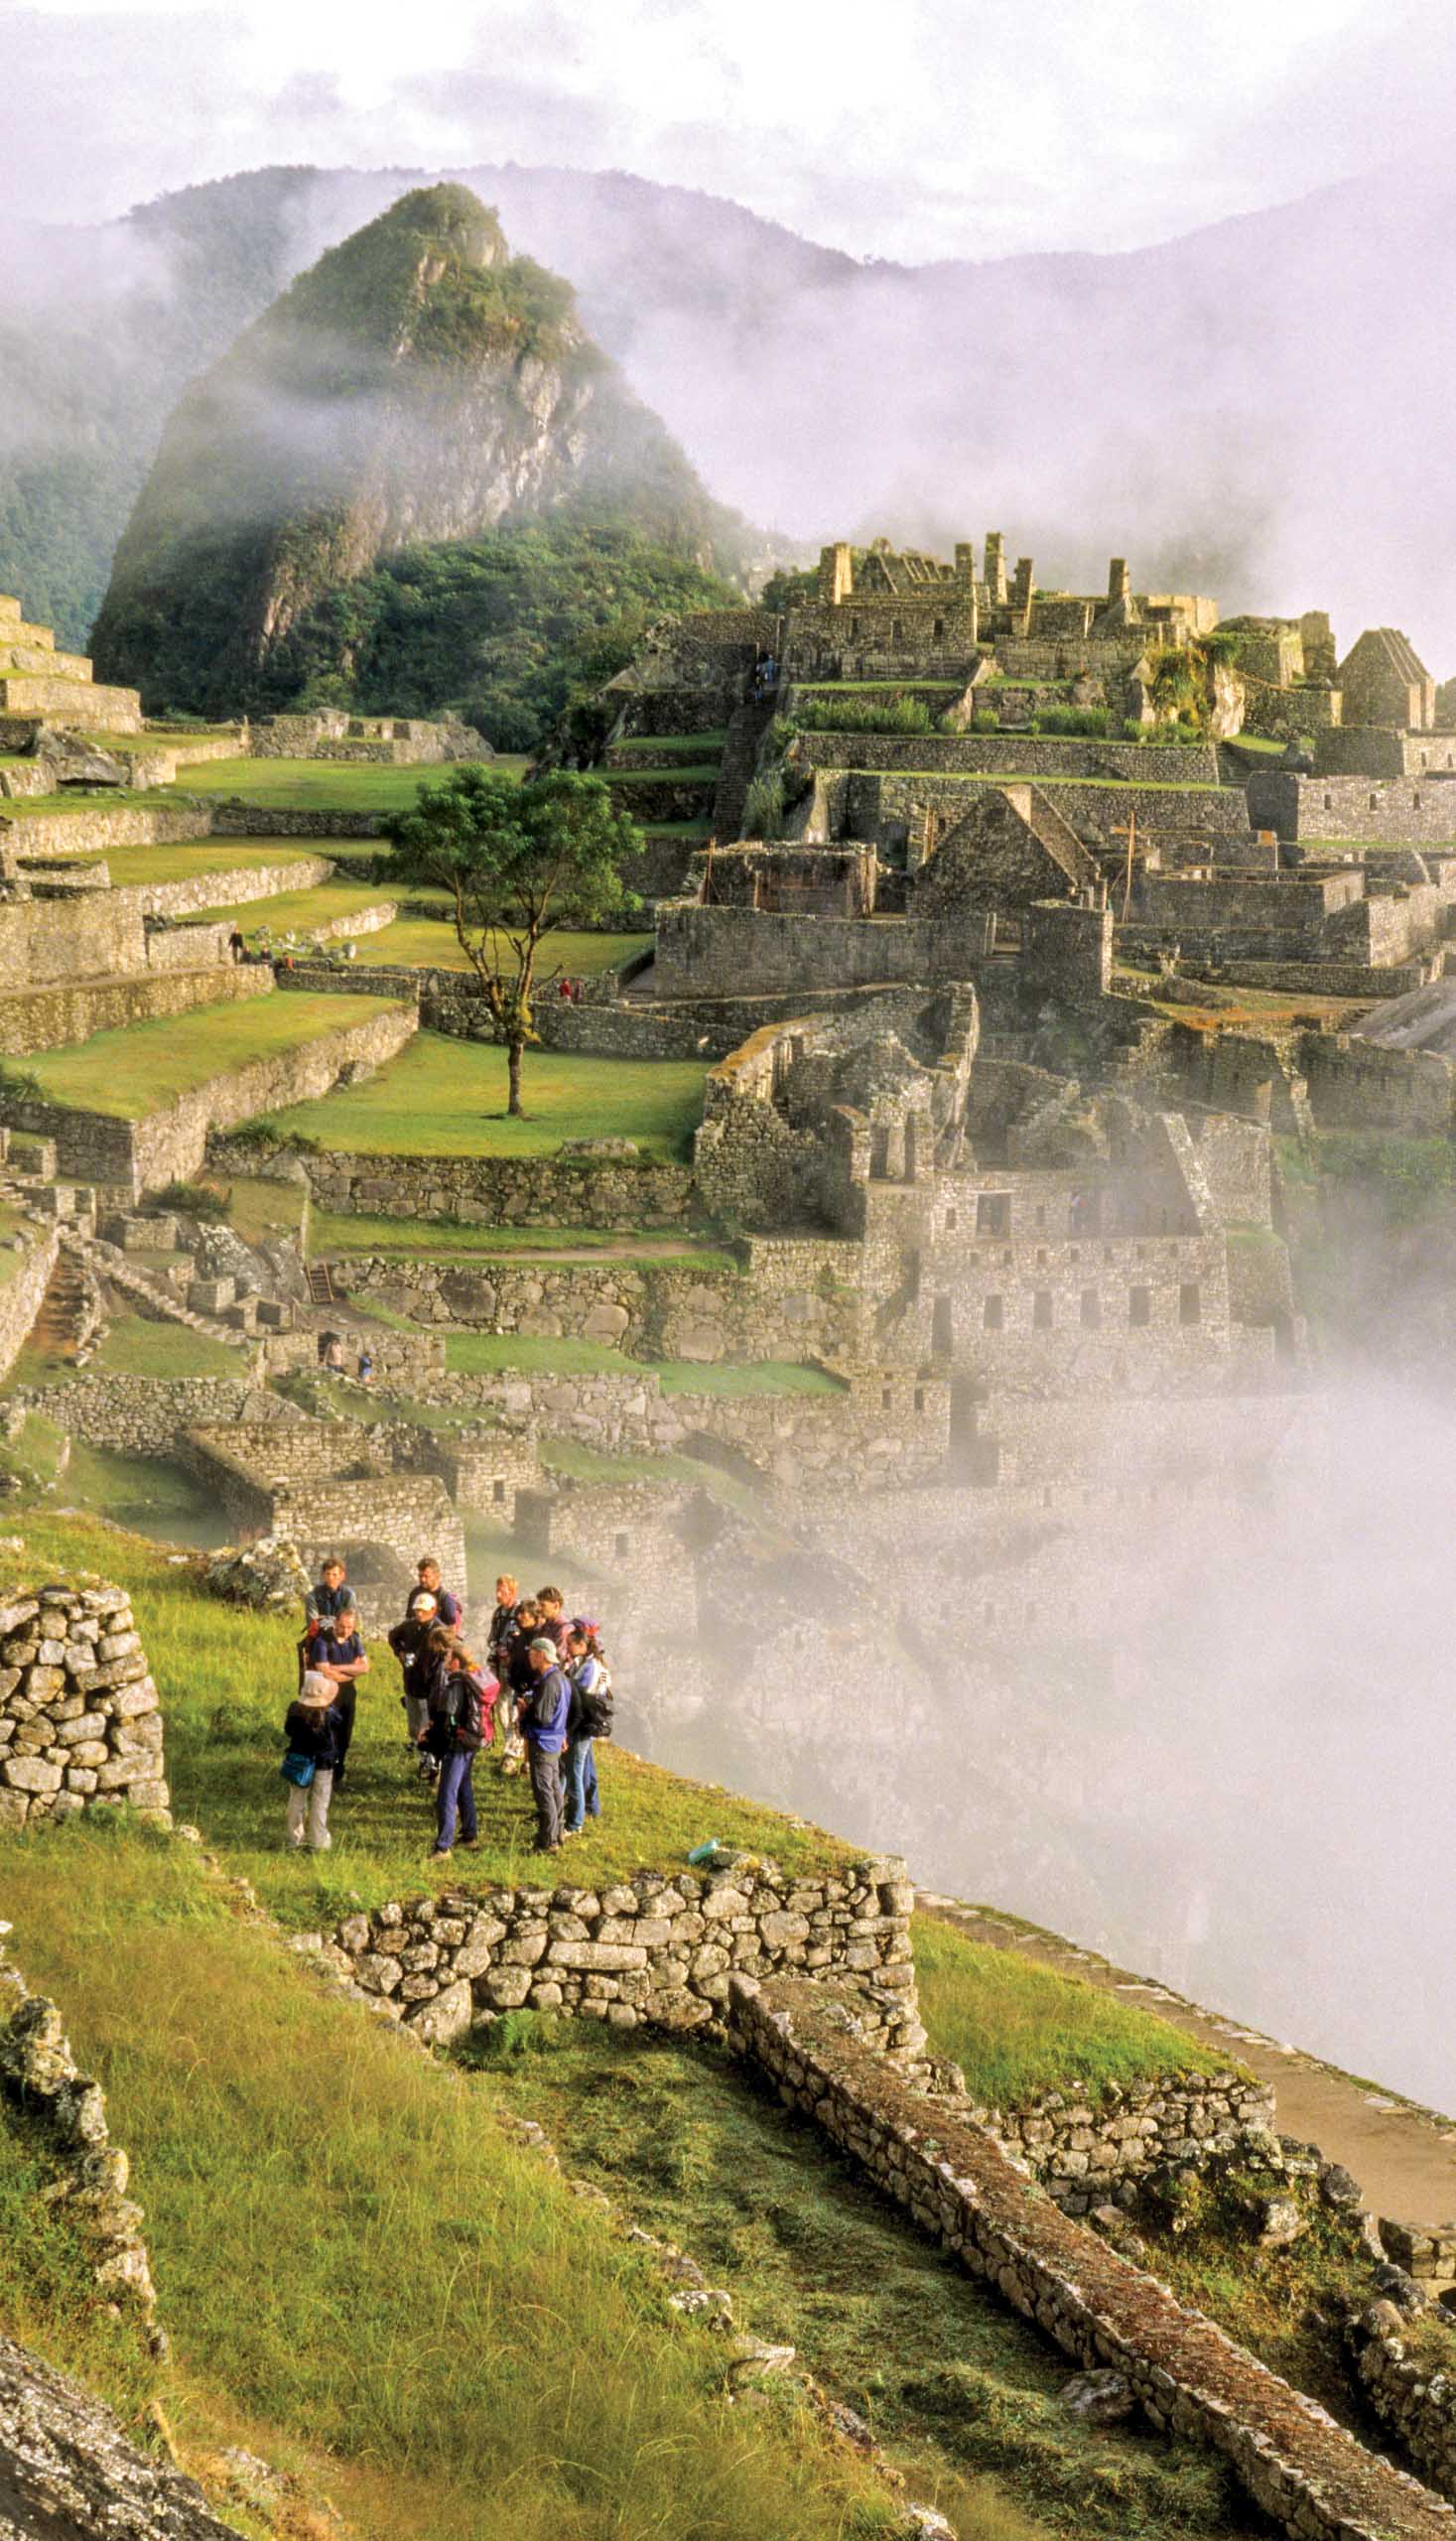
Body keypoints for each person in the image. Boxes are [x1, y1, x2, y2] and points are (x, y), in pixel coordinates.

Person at [425, 1638, 497, 1858]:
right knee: (464, 1786)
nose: (446, 1660)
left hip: (459, 1744)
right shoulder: (476, 1677)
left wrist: (446, 1732)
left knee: (446, 1794)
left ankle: (443, 1847)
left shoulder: (457, 1683)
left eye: (448, 1657)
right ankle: (469, 1836)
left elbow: (450, 1717)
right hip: (474, 1740)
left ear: (457, 1661)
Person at [282, 1670, 346, 1853]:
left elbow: (289, 1730)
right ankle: (318, 1840)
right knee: (320, 1802)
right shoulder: (330, 1714)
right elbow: (339, 1723)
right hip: (323, 1763)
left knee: (296, 1800)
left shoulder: (295, 1710)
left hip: (299, 1760)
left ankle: (294, 1839)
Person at [312, 1598, 370, 1786]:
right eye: (342, 1626)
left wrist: (337, 1669)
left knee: (346, 1732)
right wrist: (350, 1671)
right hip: (328, 1692)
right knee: (328, 1730)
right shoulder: (323, 1641)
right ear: (336, 1622)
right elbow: (323, 1669)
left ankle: (339, 1768)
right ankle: (324, 1769)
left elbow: (365, 1667)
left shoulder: (354, 1640)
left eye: (350, 1627)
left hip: (348, 1693)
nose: (345, 1631)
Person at [520, 1636, 570, 1854]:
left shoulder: (549, 1682)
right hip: (555, 1740)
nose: (529, 1657)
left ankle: (547, 1842)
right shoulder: (561, 1678)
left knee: (544, 1792)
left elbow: (543, 1716)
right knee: (554, 1788)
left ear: (541, 1655)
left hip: (543, 1741)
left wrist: (525, 1710)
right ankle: (557, 1834)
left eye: (532, 1653)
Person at [563, 1622, 611, 1837]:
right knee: (576, 1769)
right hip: (585, 1723)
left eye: (570, 1645)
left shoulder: (589, 1667)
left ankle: (575, 1822)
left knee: (575, 1772)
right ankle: (572, 1812)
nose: (568, 1649)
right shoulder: (593, 1665)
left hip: (581, 1725)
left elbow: (578, 1694)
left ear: (582, 1645)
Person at [388, 1587, 438, 1762]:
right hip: (411, 1683)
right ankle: (420, 1754)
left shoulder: (439, 1630)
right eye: (417, 1610)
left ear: (432, 1610)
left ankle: (430, 1762)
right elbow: (393, 1636)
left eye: (423, 1610)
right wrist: (400, 1651)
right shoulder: (409, 1626)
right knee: (414, 1724)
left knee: (427, 1725)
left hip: (429, 1688)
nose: (419, 1613)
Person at [417, 1555, 462, 1632]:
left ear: (437, 1576)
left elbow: (452, 1631)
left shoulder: (445, 1599)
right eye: (420, 1576)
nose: (422, 1580)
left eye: (426, 1576)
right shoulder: (416, 1594)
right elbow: (409, 1619)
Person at [534, 1586, 571, 1656]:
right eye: (539, 1605)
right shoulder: (546, 1624)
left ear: (556, 1606)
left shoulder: (563, 1628)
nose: (539, 1608)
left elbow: (558, 1657)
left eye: (543, 1605)